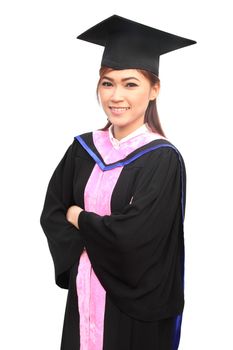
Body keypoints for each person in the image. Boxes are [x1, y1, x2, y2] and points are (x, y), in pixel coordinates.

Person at [40, 15, 196, 350]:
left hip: (133, 311)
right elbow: (53, 212)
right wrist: (91, 237)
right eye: (107, 83)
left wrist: (79, 218)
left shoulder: (161, 158)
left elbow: (137, 236)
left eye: (130, 83)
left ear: (154, 89)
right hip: (85, 297)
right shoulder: (82, 149)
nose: (116, 96)